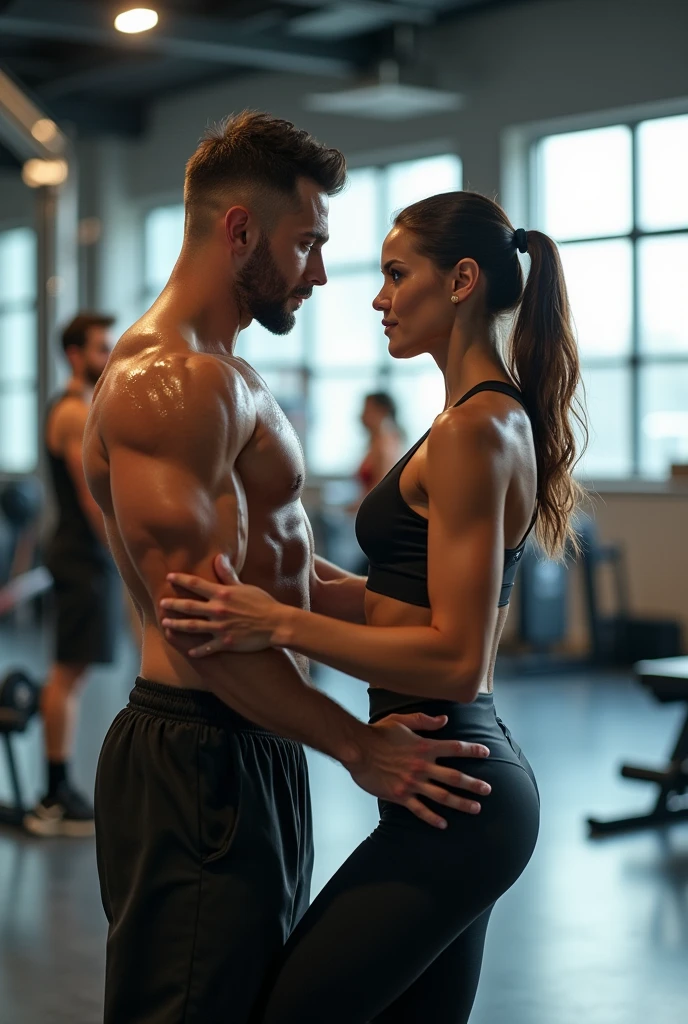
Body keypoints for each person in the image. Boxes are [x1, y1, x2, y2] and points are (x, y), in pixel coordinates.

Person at [83, 113, 493, 1024]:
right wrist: (356, 745)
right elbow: (207, 627)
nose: (316, 272)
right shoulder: (168, 386)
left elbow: (288, 583)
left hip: (253, 749)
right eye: (306, 243)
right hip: (199, 755)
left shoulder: (230, 375)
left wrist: (435, 636)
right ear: (240, 231)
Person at [161, 191, 587, 1023]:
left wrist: (278, 622)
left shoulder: (475, 430)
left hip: (456, 791)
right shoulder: (470, 421)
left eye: (398, 274)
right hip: (456, 784)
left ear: (461, 280)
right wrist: (288, 571)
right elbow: (401, 602)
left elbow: (455, 657)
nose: (378, 296)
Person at [24, 313, 118, 838]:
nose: (107, 357)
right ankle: (54, 795)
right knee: (67, 674)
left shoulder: (79, 407)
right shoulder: (72, 411)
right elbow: (91, 501)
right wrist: (123, 557)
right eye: (100, 348)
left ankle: (56, 789)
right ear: (75, 355)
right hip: (81, 557)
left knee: (71, 674)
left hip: (81, 557)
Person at [355, 391, 404, 506]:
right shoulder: (375, 443)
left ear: (382, 411)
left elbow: (381, 493)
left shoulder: (385, 445)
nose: (362, 416)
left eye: (367, 410)